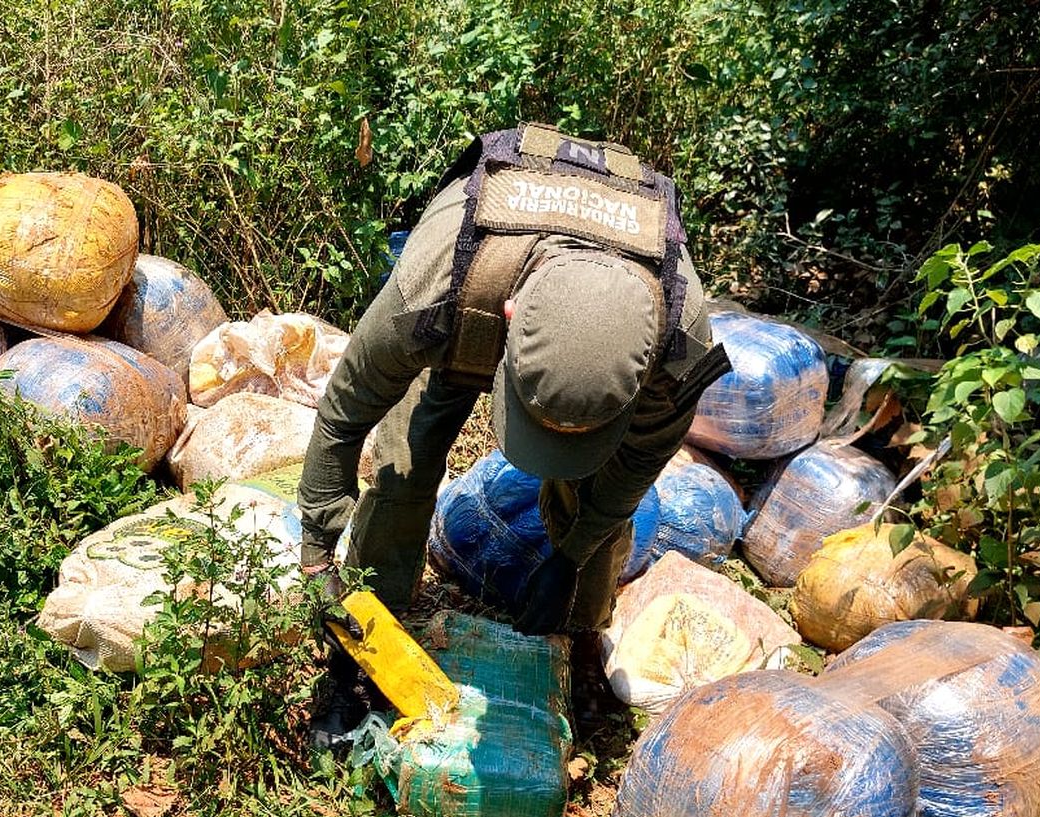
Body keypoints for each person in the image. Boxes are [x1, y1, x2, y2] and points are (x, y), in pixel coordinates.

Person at [298, 123, 731, 741]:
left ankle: (574, 647)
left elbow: (629, 472)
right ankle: (360, 655)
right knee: (402, 469)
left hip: (569, 333)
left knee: (599, 511)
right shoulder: (438, 280)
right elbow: (345, 413)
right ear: (510, 317)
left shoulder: (679, 341)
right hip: (466, 323)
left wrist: (571, 556)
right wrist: (318, 549)